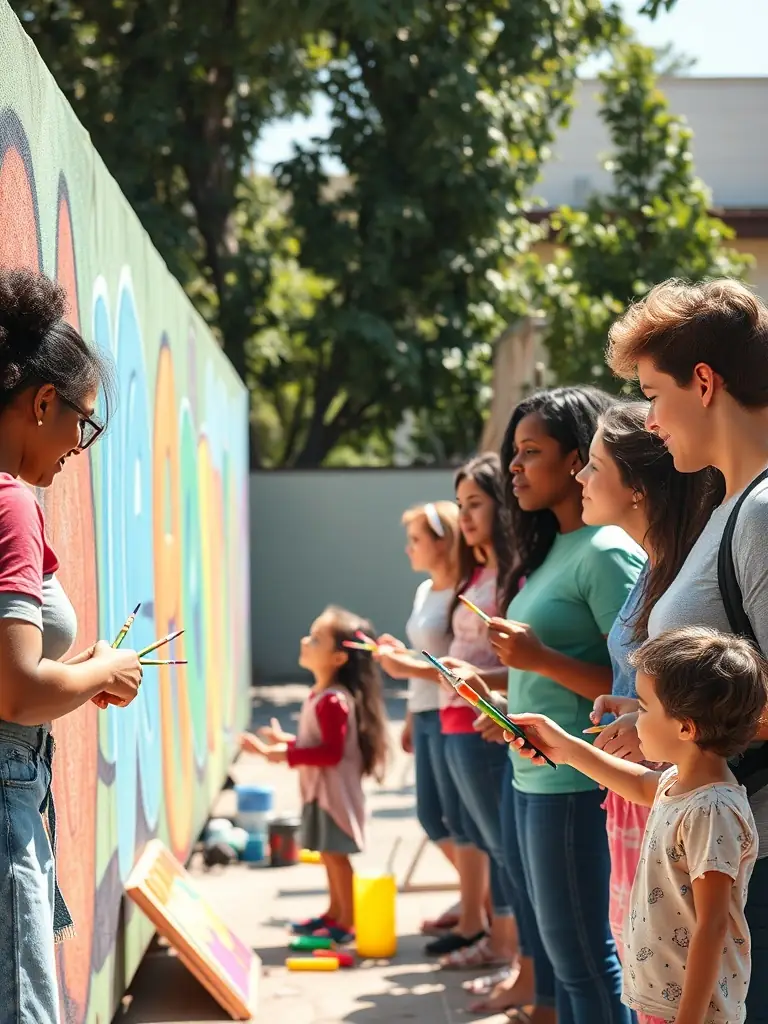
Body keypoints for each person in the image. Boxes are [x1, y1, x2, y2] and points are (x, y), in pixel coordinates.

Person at [605, 278, 768, 1022]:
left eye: (651, 391)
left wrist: (677, 723)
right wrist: (658, 710)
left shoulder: (760, 512)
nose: (648, 418)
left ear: (704, 382)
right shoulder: (729, 501)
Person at [0, 269, 144, 1024]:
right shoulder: (12, 501)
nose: (79, 447)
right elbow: (18, 691)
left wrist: (83, 669)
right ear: (43, 401)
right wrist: (99, 672)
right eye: (83, 423)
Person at [479, 386, 646, 1024]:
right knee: (561, 958)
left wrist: (539, 660)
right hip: (530, 777)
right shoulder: (553, 546)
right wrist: (500, 696)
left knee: (582, 958)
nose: (513, 467)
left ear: (577, 459)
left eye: (530, 452)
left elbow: (631, 683)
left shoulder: (606, 552)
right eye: (512, 453)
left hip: (577, 782)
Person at [505, 625, 767, 1024]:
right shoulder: (681, 784)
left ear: (686, 727)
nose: (634, 717)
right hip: (663, 999)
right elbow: (639, 784)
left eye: (643, 708)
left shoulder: (712, 810)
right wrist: (567, 746)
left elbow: (712, 926)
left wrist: (689, 1018)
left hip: (690, 1010)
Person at [575, 402, 722, 965]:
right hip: (640, 791)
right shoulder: (653, 566)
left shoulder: (687, 573)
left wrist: (648, 720)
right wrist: (636, 706)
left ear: (636, 487)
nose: (580, 478)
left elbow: (709, 696)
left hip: (669, 797)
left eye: (593, 465)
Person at [378, 455, 519, 975]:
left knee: (495, 842)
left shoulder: (505, 577)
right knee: (471, 831)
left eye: (475, 503)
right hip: (452, 716)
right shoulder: (477, 577)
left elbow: (495, 664)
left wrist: (407, 670)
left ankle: (498, 937)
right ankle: (491, 929)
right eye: (460, 504)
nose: (464, 515)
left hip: (478, 720)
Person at [241, 605, 388, 945]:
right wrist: (287, 743)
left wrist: (279, 753)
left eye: (317, 638)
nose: (305, 641)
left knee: (337, 857)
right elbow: (318, 745)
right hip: (319, 792)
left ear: (338, 658)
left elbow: (331, 753)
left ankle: (347, 922)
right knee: (326, 852)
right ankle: (334, 914)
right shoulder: (320, 697)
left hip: (332, 795)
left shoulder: (333, 701)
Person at [376, 501, 461, 937]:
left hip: (452, 716)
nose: (408, 549)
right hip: (426, 712)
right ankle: (476, 895)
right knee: (432, 815)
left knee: (458, 820)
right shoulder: (426, 590)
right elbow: (426, 660)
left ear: (443, 541)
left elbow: (459, 667)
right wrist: (409, 713)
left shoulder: (462, 593)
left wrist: (404, 667)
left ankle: (479, 901)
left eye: (415, 540)